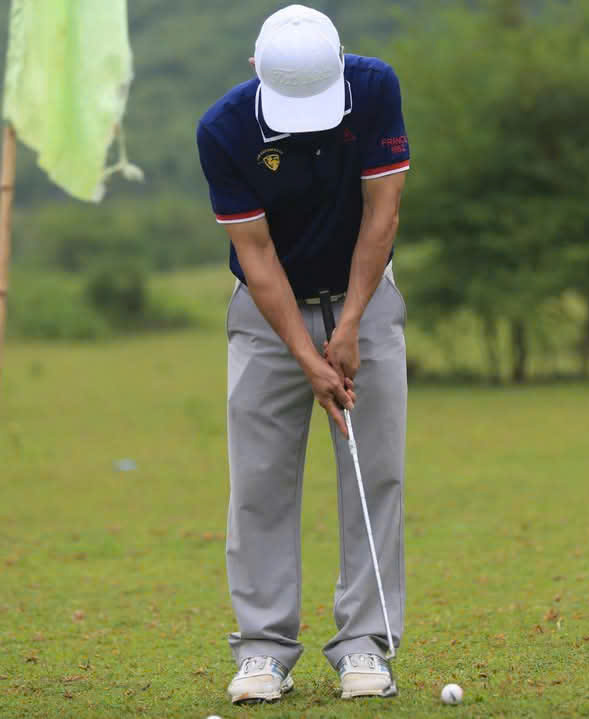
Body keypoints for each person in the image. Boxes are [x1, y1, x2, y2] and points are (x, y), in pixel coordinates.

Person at [195, 4, 410, 705]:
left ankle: (365, 643)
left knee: (375, 470)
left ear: (340, 65)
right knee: (259, 479)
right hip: (268, 317)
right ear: (255, 71)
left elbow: (382, 212)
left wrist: (350, 324)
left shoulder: (374, 88)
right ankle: (263, 649)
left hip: (364, 297)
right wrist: (307, 354)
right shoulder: (225, 129)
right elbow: (256, 255)